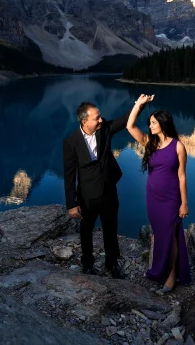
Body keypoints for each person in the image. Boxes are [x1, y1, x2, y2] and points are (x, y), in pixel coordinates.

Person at [127, 94, 191, 292]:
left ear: (163, 123)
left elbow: (181, 176)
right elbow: (130, 126)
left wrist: (184, 202)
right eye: (150, 122)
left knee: (171, 236)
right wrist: (139, 104)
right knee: (159, 234)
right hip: (153, 197)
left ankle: (171, 276)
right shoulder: (149, 143)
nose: (150, 126)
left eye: (153, 122)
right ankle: (159, 270)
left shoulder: (178, 146)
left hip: (172, 198)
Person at [63, 101, 130, 278]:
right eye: (97, 118)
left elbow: (125, 119)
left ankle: (112, 264)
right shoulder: (71, 142)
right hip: (87, 195)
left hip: (109, 189)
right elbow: (69, 175)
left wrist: (140, 104)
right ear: (85, 121)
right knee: (86, 230)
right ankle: (87, 265)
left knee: (111, 229)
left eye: (100, 116)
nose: (101, 120)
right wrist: (71, 204)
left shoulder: (105, 129)